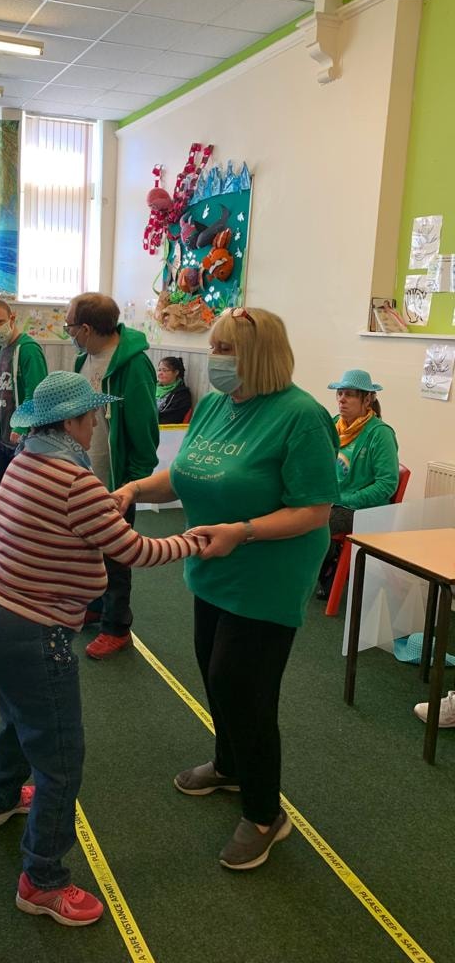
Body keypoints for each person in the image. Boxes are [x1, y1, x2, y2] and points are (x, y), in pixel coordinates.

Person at [0, 372, 204, 926]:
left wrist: (107, 504)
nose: (96, 424)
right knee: (61, 758)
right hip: (26, 628)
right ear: (71, 421)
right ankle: (42, 881)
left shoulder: (26, 458)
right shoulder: (75, 480)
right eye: (92, 415)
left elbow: (69, 524)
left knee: (18, 711)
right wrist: (194, 541)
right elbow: (134, 552)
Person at [114, 307, 339, 871]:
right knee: (215, 673)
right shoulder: (217, 404)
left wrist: (244, 531)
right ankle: (229, 766)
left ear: (257, 356)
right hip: (212, 567)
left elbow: (315, 510)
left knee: (244, 689)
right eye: (214, 347)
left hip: (268, 576)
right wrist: (137, 487)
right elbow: (186, 473)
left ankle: (265, 815)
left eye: (223, 349)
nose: (212, 359)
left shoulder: (301, 416)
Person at [66, 293, 159, 660]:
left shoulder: (132, 365)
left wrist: (132, 486)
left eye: (71, 326)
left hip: (117, 481)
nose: (69, 333)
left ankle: (117, 627)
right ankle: (95, 606)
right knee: (87, 548)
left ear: (87, 329)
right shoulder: (84, 358)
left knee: (115, 556)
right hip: (86, 474)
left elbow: (144, 430)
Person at [316, 369, 399, 599]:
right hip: (332, 500)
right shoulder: (334, 424)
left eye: (350, 394)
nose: (342, 399)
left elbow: (387, 485)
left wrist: (344, 499)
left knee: (314, 522)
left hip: (363, 509)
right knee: (292, 510)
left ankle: (327, 567)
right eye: (340, 393)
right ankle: (327, 562)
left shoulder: (380, 434)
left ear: (368, 399)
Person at [0, 299, 47, 494]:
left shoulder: (28, 349)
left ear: (12, 319)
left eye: (0, 322)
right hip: (4, 437)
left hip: (24, 438)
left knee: (22, 495)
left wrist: (21, 425)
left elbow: (36, 392)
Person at [156, 356, 192, 424]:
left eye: (165, 370)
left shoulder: (182, 394)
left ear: (176, 372)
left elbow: (171, 418)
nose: (160, 373)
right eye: (159, 370)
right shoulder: (152, 388)